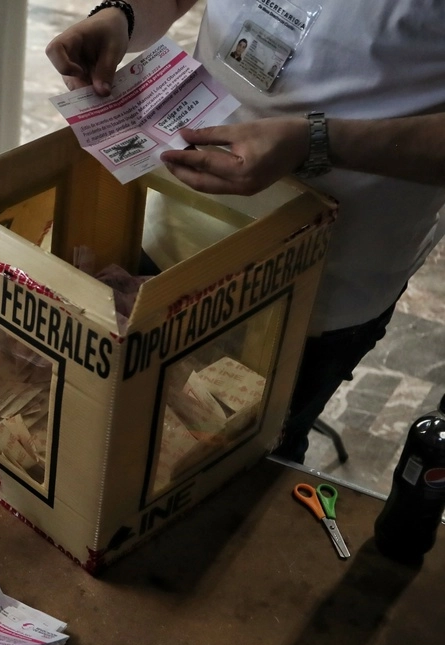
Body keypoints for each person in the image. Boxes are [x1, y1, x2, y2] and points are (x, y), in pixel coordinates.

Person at [47, 0, 445, 462]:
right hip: (173, 226)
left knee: (232, 469)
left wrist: (316, 142)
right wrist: (120, 16)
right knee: (111, 441)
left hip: (315, 284)